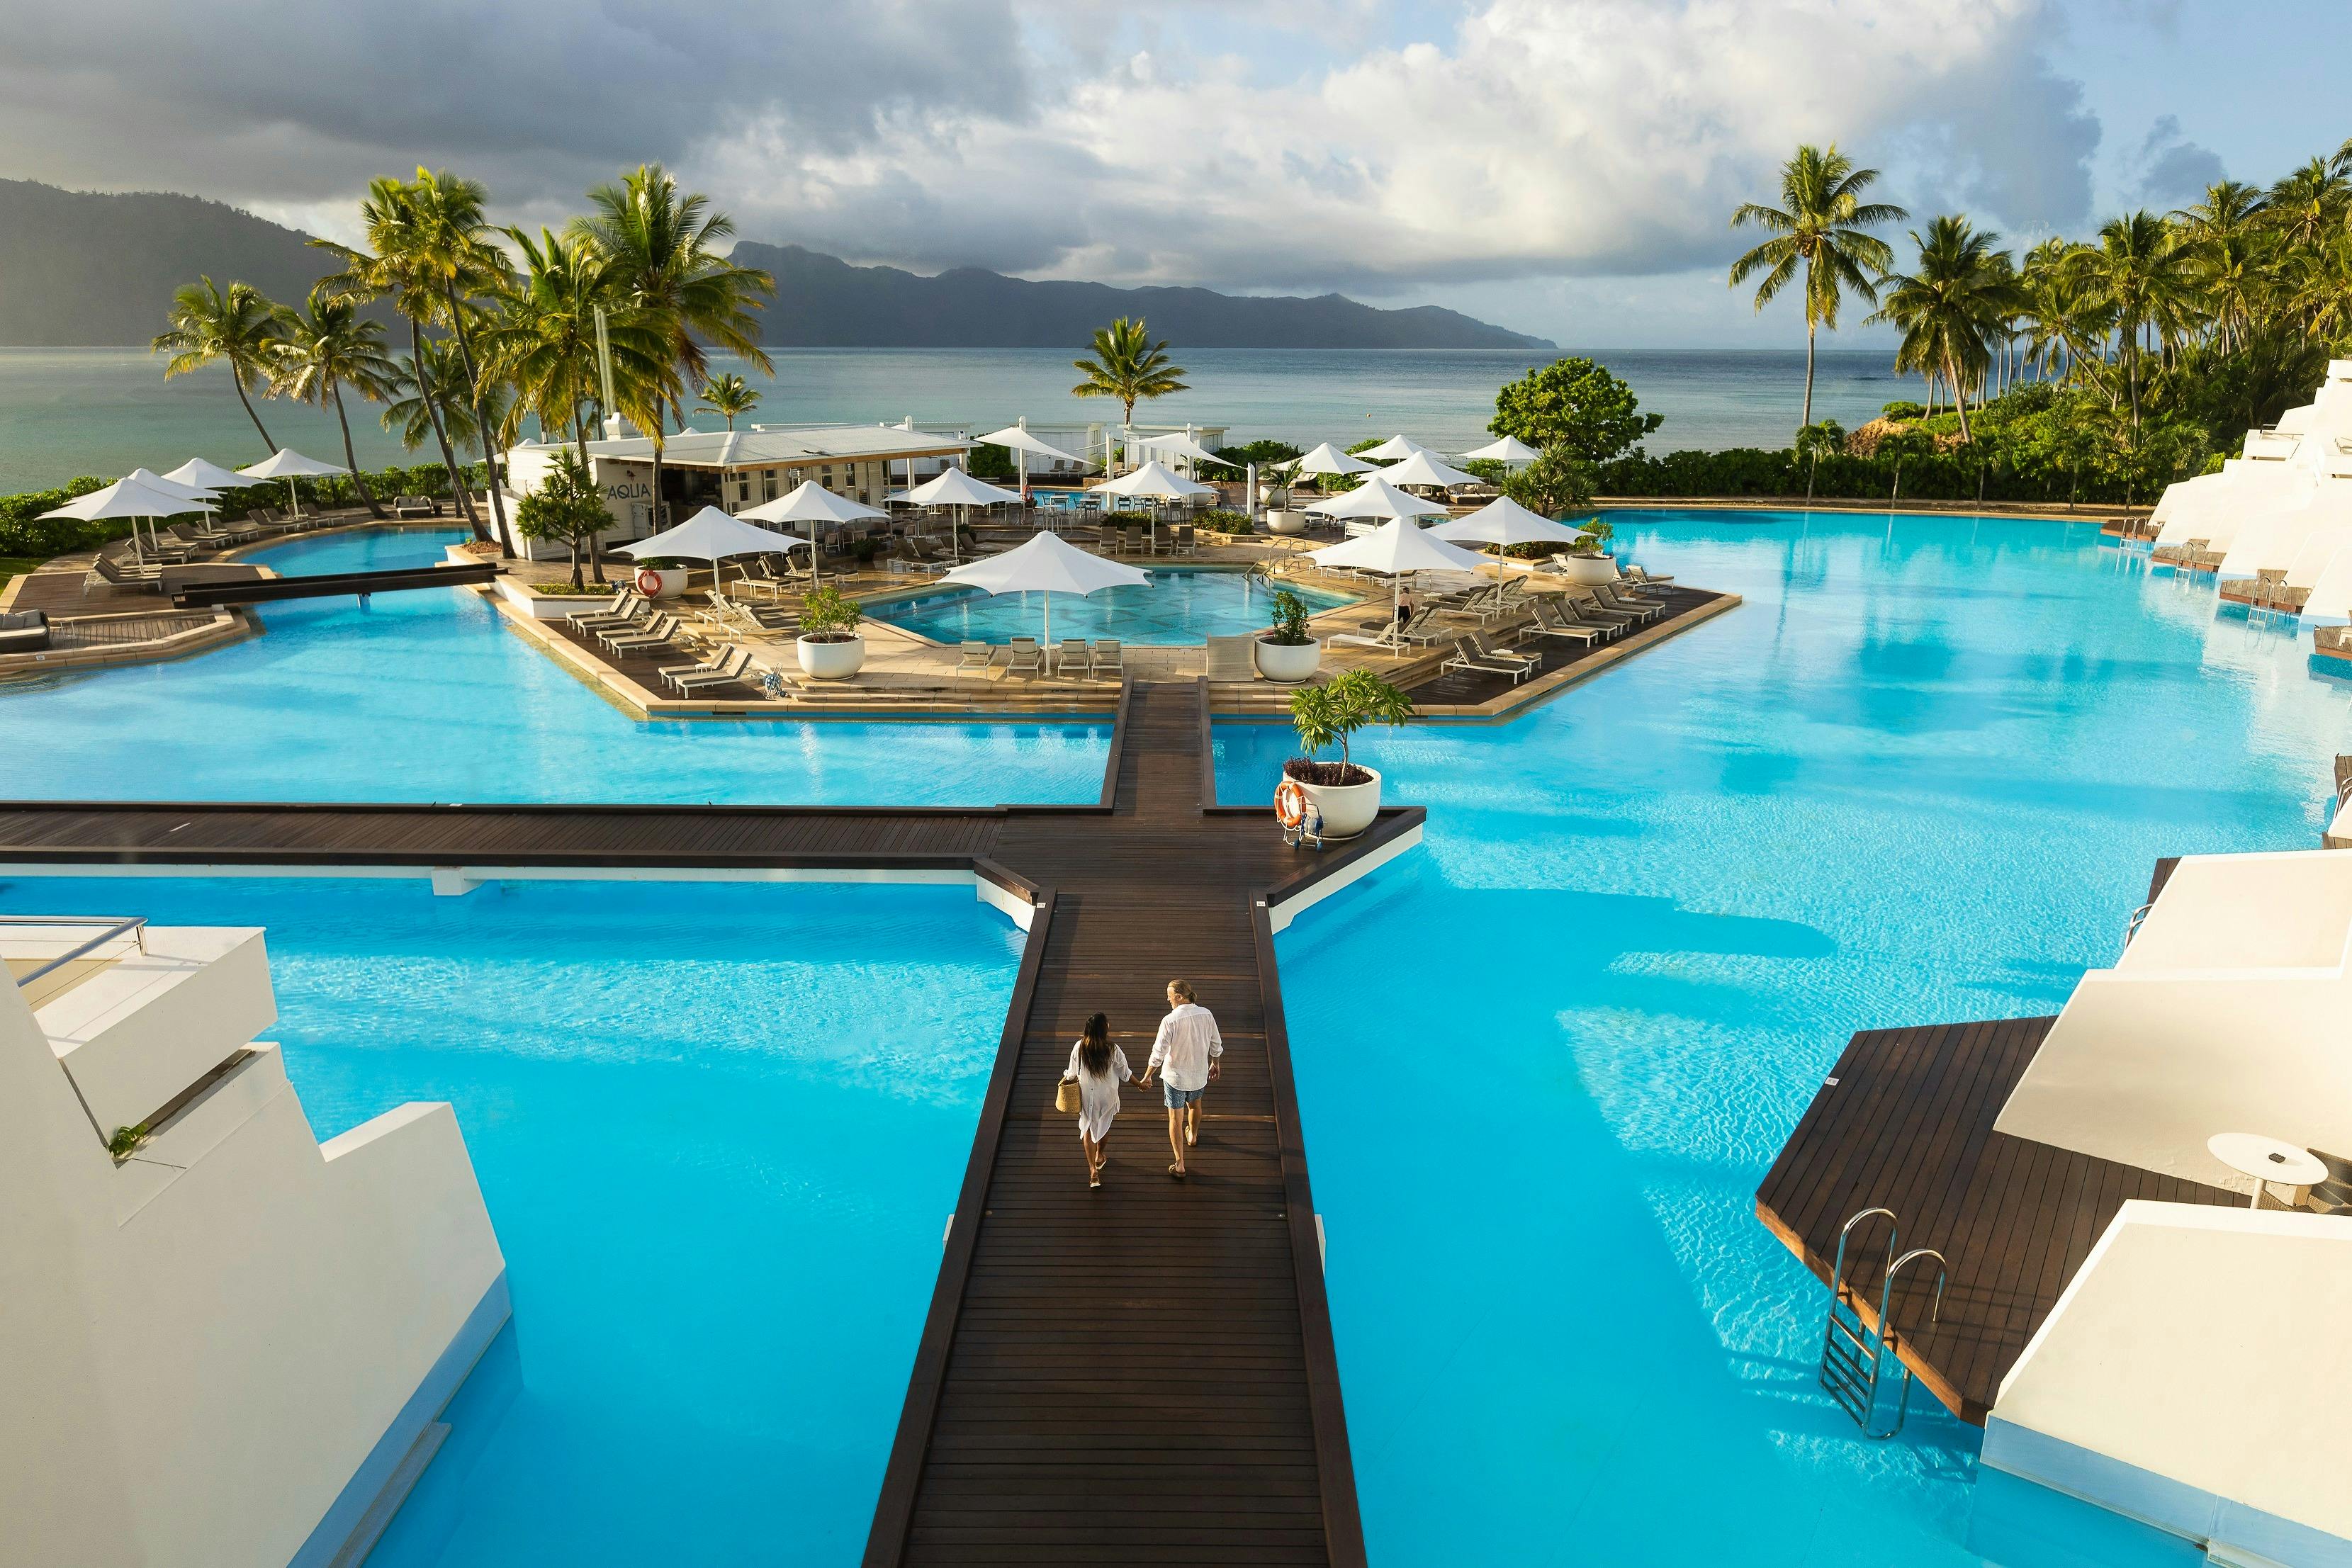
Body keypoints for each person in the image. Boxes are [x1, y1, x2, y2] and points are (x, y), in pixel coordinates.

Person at [1135, 978, 1221, 1179]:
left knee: (1175, 1118)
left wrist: (1147, 1076)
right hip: (1199, 1074)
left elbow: (1159, 1053)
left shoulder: (1170, 1020)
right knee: (1195, 1105)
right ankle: (1193, 1136)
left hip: (1175, 1077)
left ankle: (1180, 1163)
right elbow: (1215, 1044)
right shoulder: (1206, 1014)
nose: (1168, 999)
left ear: (1180, 997)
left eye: (1170, 995)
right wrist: (1215, 1063)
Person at [1060, 1012, 1130, 1189]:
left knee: (1088, 1128)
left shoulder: (1080, 1047)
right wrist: (1141, 1085)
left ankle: (1093, 1170)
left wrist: (1066, 1076)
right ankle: (1100, 1156)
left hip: (1087, 1096)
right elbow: (1125, 1074)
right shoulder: (1113, 1049)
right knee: (1104, 1125)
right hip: (1107, 1096)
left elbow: (1072, 1074)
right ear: (1104, 1028)